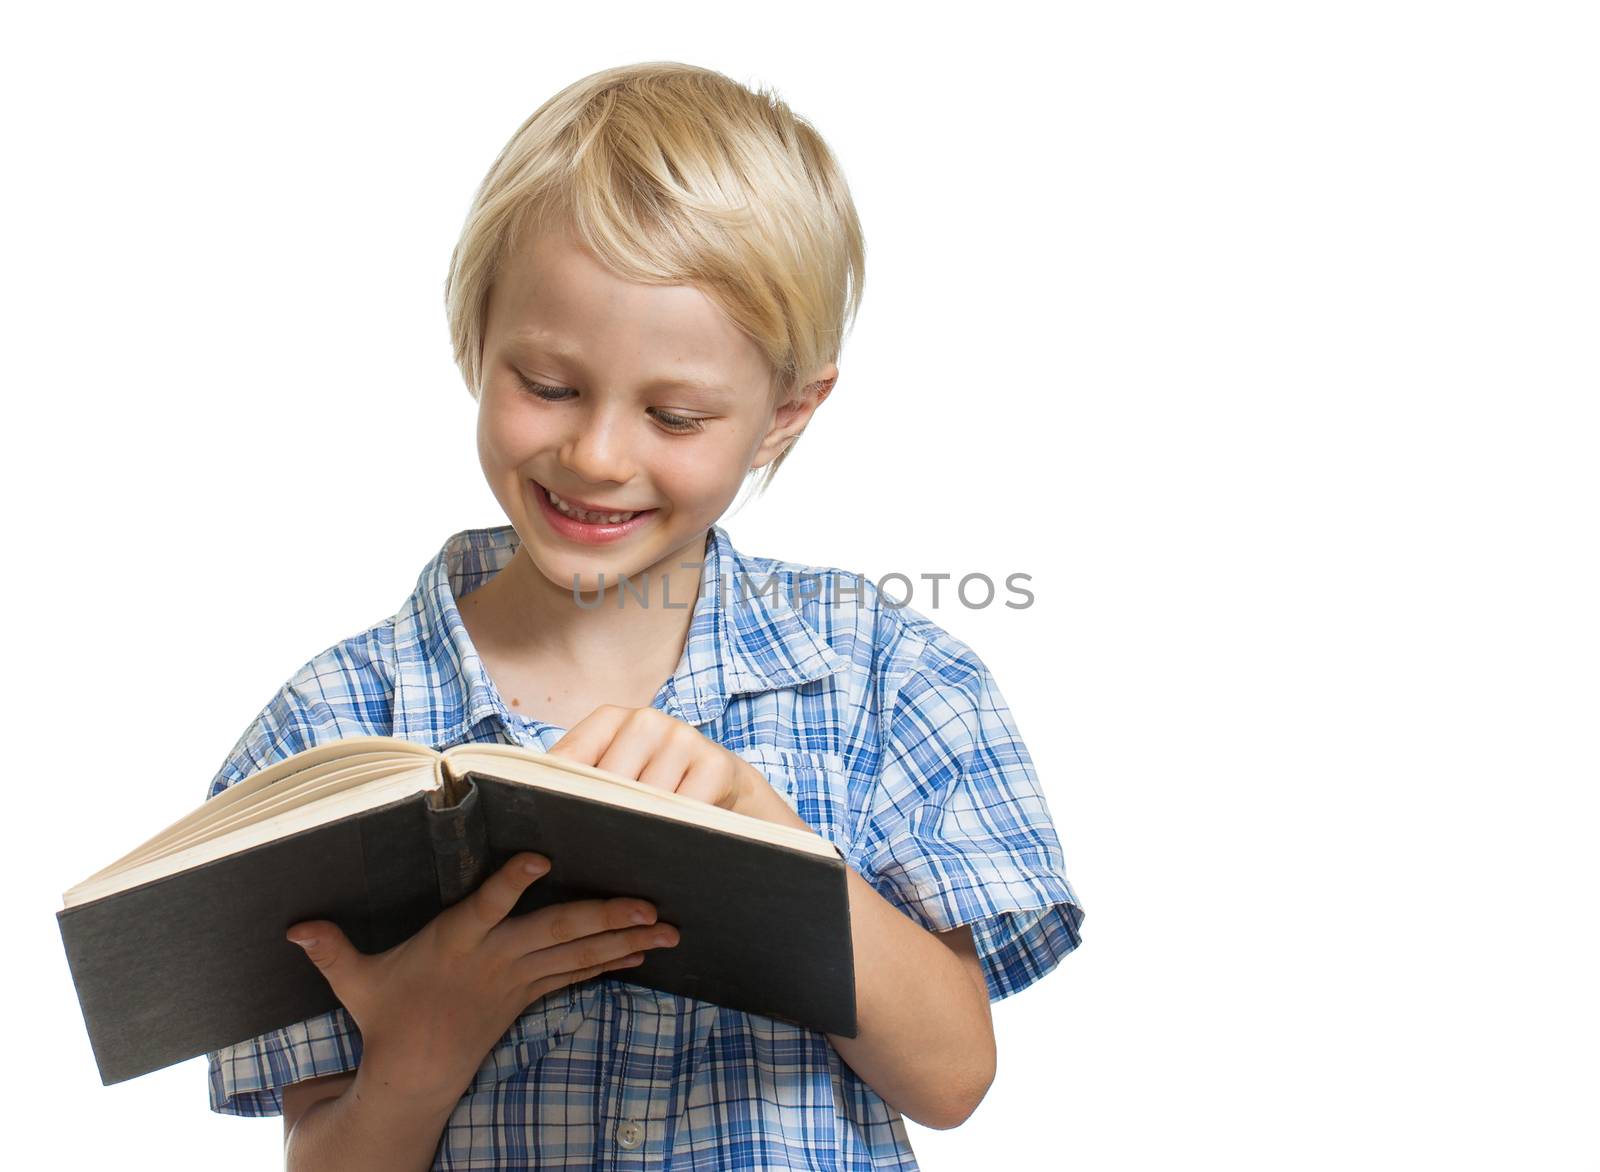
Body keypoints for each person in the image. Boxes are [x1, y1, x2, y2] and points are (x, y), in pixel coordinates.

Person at [203, 60, 1086, 1171]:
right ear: (476, 336)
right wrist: (418, 1057)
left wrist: (773, 842)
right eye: (551, 386)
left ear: (784, 413)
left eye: (674, 413)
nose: (598, 454)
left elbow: (953, 1074)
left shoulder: (885, 677)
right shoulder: (325, 729)